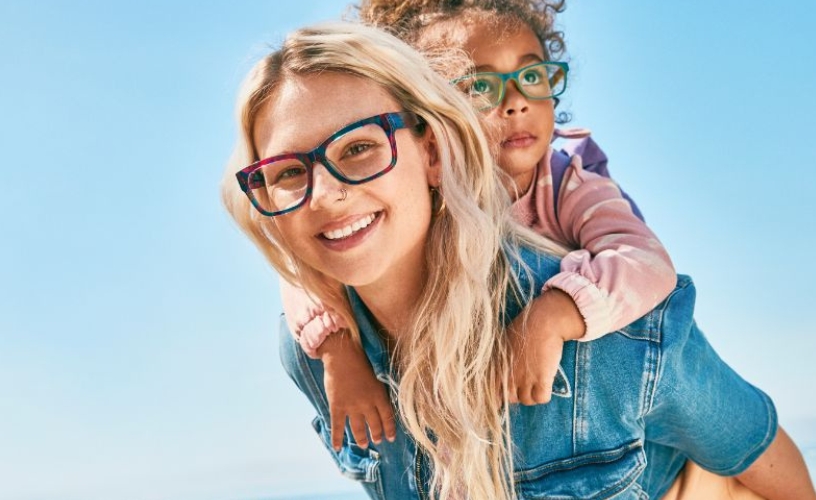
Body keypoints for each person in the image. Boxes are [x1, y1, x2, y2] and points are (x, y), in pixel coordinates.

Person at [221, 22, 815, 500]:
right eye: (288, 173)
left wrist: (555, 314)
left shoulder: (602, 325)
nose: (324, 194)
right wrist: (335, 349)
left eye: (359, 148)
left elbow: (751, 445)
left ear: (435, 152)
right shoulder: (314, 353)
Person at [280, 0, 676, 450]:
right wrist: (338, 351)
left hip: (570, 405)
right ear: (426, 112)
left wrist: (554, 314)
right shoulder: (416, 193)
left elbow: (646, 260)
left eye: (531, 76)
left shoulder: (567, 184)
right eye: (479, 86)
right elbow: (303, 264)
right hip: (444, 398)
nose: (515, 103)